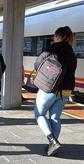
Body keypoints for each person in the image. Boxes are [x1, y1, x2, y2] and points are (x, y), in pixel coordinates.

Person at [34, 26, 77, 156]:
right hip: (66, 90)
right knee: (55, 118)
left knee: (39, 114)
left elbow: (37, 64)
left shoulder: (51, 49)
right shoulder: (71, 52)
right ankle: (52, 146)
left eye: (55, 35)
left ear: (60, 36)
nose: (54, 37)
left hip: (50, 88)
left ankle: (52, 141)